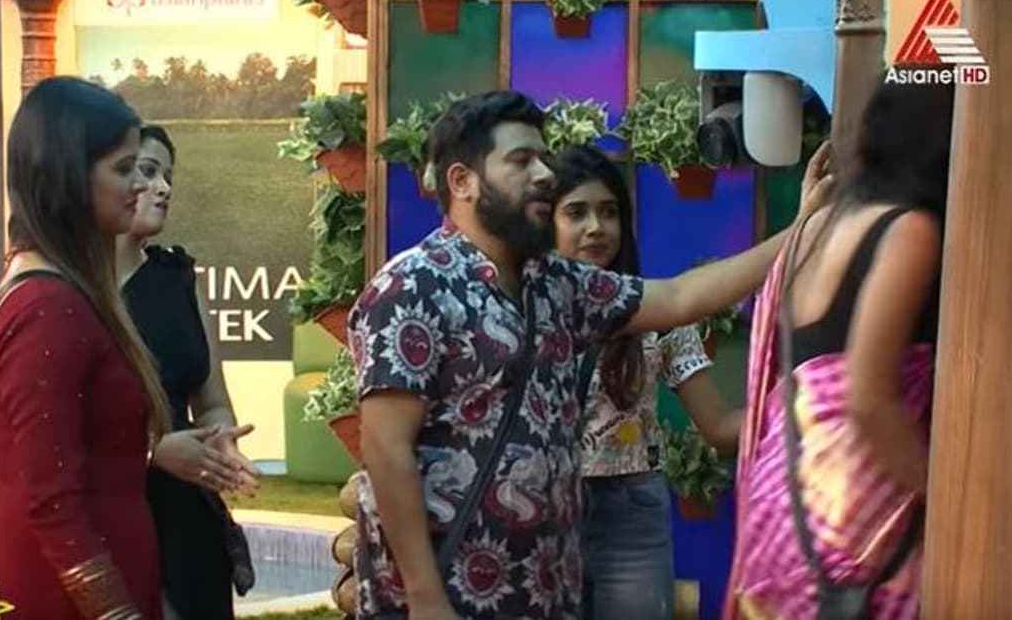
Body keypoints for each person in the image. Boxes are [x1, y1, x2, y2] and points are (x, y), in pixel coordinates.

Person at [349, 90, 830, 619]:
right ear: (462, 181)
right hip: (447, 599)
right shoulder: (411, 287)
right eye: (520, 160)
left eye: (543, 158)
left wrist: (804, 227)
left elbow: (680, 297)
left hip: (542, 593)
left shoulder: (555, 283)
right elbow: (386, 448)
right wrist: (424, 596)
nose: (543, 175)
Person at [723, 73, 954, 619]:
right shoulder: (910, 231)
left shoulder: (818, 224)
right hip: (846, 526)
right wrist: (949, 504)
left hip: (779, 515)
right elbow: (868, 400)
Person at [0, 77, 171, 619]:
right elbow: (51, 501)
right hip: (58, 597)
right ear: (69, 177)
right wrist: (116, 613)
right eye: (124, 169)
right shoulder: (46, 308)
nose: (140, 184)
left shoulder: (61, 293)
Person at [551, 144, 744, 619]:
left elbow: (719, 428)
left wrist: (800, 404)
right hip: (542, 510)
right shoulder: (521, 314)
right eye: (576, 213)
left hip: (632, 515)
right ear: (544, 223)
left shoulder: (657, 315)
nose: (596, 227)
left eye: (609, 212)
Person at [115, 124, 259, 620]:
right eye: (148, 171)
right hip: (112, 511)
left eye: (169, 177)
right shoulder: (65, 289)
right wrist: (152, 452)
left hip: (188, 516)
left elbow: (212, 401)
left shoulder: (178, 279)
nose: (163, 188)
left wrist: (221, 444)